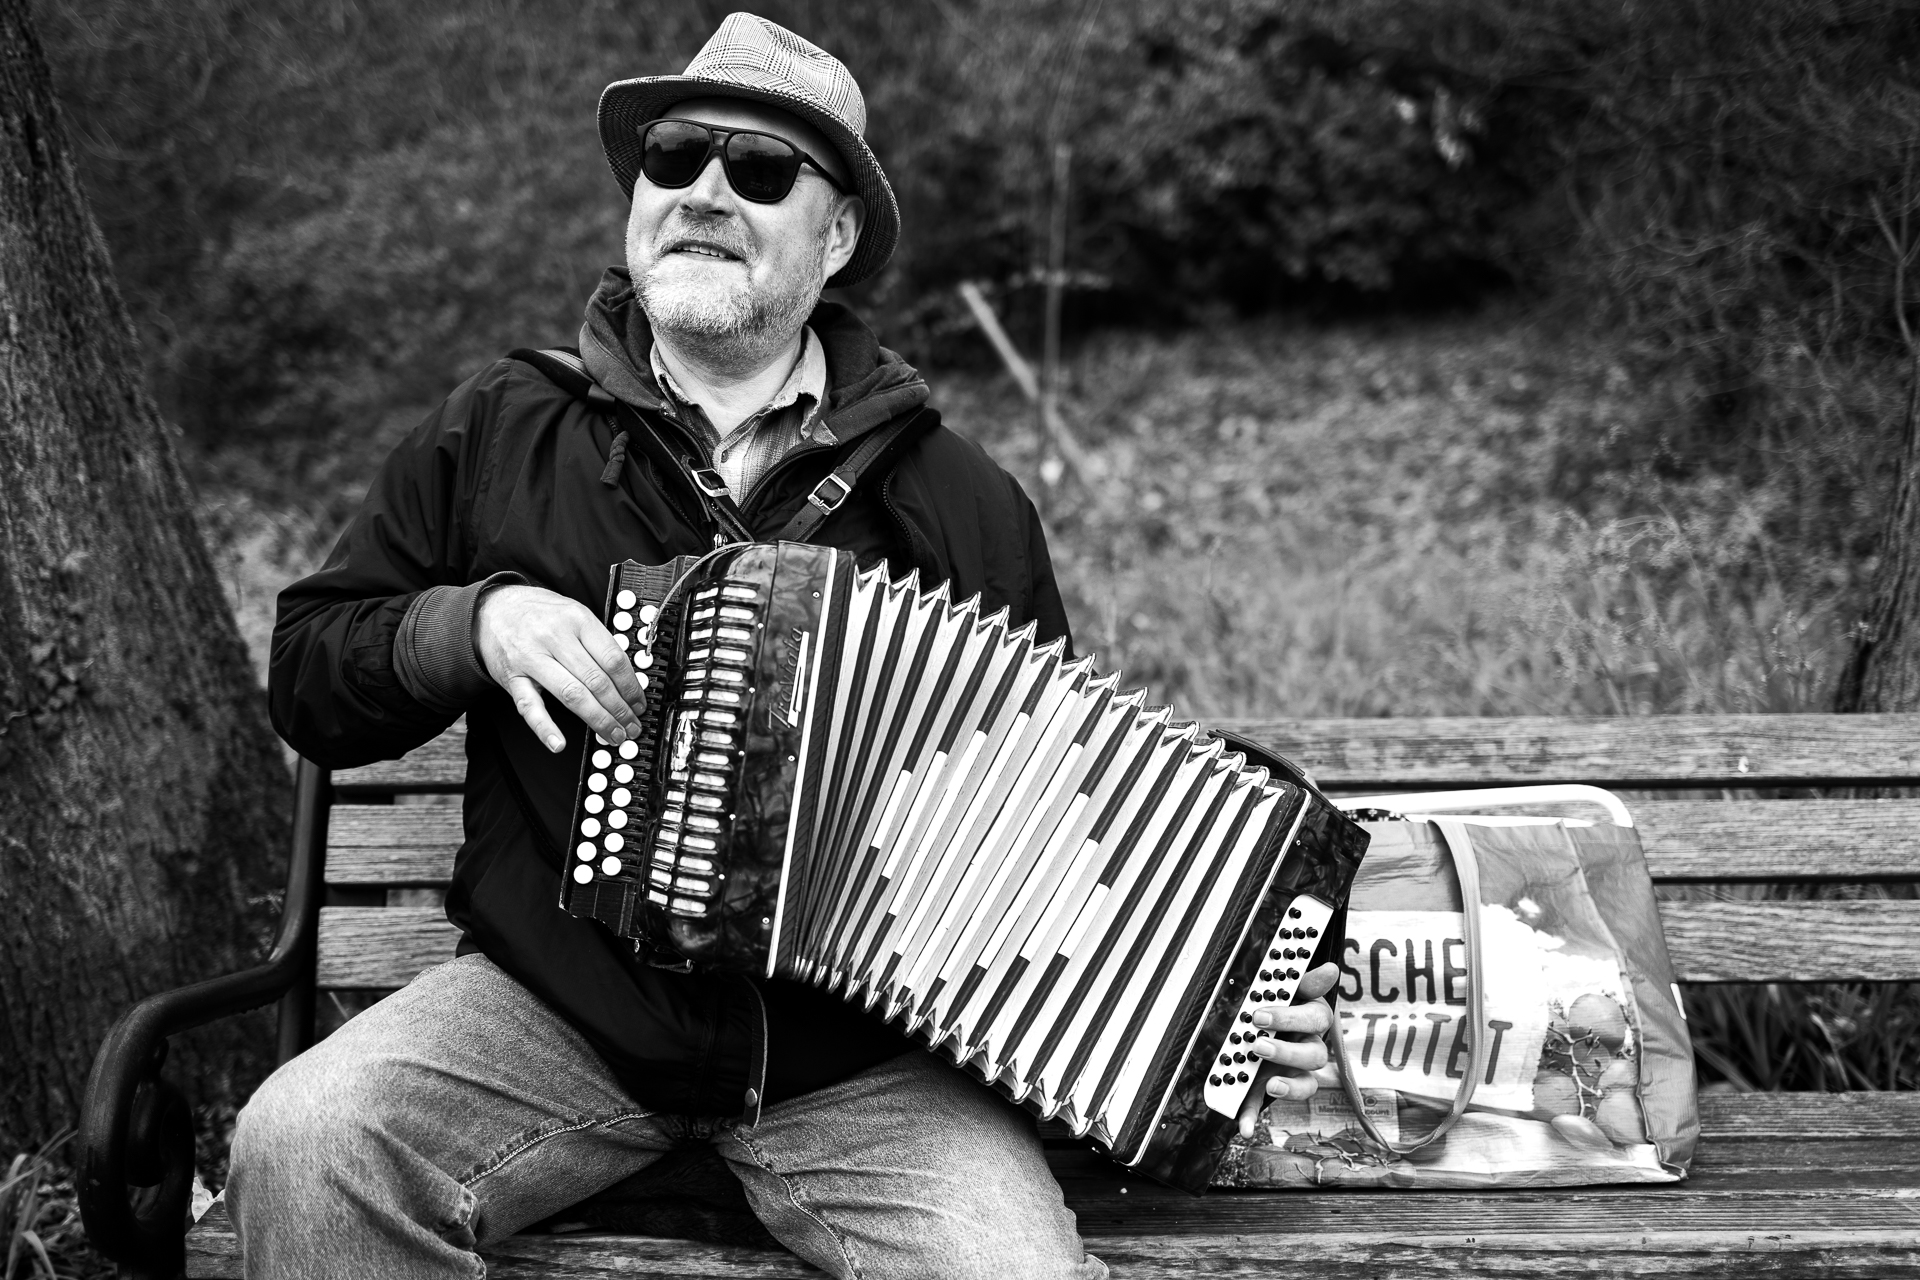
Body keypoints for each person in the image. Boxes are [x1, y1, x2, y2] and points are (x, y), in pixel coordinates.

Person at [235, 13, 1337, 1279]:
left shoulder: (961, 501)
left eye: (759, 171)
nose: (704, 190)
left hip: (856, 1071)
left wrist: (1229, 1005)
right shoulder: (498, 427)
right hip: (555, 1018)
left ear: (840, 236)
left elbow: (1061, 849)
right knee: (306, 1138)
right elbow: (310, 668)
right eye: (674, 157)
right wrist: (470, 623)